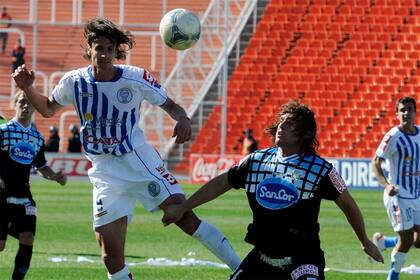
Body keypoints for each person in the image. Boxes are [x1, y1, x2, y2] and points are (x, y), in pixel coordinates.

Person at [12, 17, 240, 279]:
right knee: (110, 256)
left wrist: (183, 120)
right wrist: (28, 88)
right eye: (99, 48)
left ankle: (240, 268)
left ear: (117, 51)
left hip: (137, 160)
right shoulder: (73, 81)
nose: (104, 54)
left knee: (183, 215)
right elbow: (48, 109)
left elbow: (171, 106)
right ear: (90, 49)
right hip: (104, 170)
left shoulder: (136, 78)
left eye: (110, 49)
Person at [163, 100, 384, 279]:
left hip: (303, 260)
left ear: (305, 134)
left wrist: (364, 240)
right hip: (262, 258)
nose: (282, 126)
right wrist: (184, 207)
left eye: (290, 124)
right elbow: (222, 183)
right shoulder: (256, 160)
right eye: (282, 121)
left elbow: (348, 204)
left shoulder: (321, 170)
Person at [0, 90, 67, 280]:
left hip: (23, 195)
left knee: (27, 237)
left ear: (35, 108)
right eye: (21, 101)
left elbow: (42, 166)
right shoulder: (3, 132)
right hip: (2, 195)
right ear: (15, 104)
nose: (25, 105)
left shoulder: (37, 138)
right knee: (1, 245)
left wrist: (55, 176)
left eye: (29, 102)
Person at [371, 96, 420, 280]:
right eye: (402, 110)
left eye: (409, 109)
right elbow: (375, 162)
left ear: (415, 112)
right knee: (407, 239)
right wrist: (386, 184)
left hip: (417, 195)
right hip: (398, 195)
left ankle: (385, 242)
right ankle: (393, 277)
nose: (406, 113)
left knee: (418, 241)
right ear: (397, 113)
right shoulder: (393, 136)